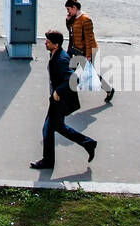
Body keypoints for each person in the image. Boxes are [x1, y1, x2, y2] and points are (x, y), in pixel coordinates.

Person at [30, 30, 97, 170]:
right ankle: (88, 143)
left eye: (48, 42)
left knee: (47, 130)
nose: (45, 43)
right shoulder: (55, 53)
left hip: (60, 100)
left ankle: (48, 161)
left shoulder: (61, 59)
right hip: (56, 99)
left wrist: (58, 91)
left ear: (56, 45)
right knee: (59, 127)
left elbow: (73, 79)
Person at [64, 0, 114, 103]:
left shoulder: (86, 20)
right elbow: (71, 31)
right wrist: (68, 21)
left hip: (88, 51)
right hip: (77, 50)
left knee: (92, 74)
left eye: (69, 9)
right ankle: (68, 96)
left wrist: (88, 56)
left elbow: (89, 39)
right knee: (71, 72)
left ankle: (109, 89)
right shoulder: (73, 18)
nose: (68, 12)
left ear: (74, 7)